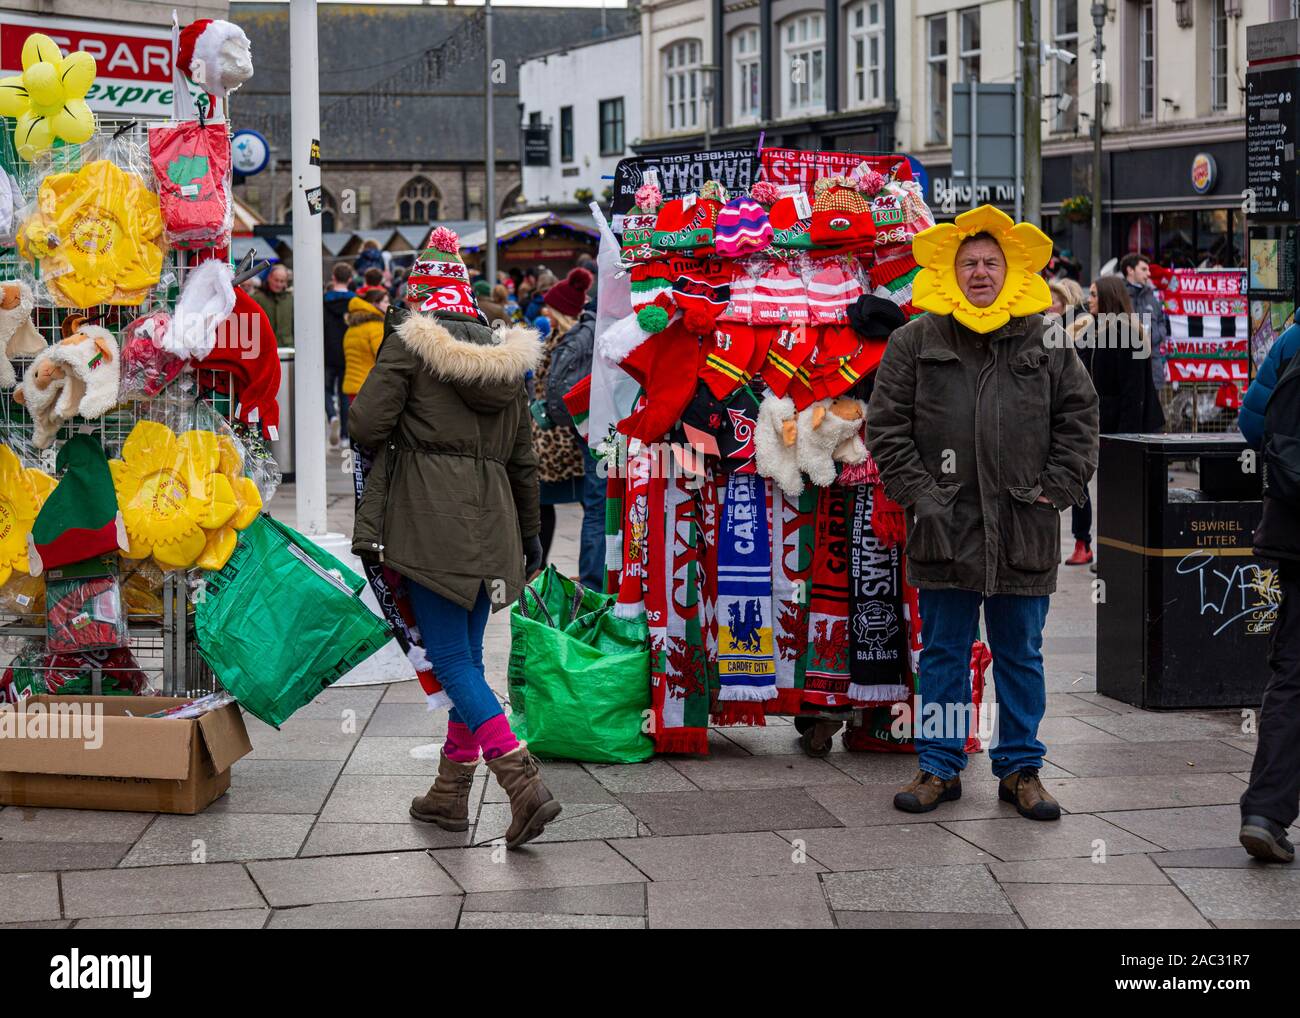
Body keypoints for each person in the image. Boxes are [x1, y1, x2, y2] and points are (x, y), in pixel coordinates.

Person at [867, 214, 1098, 821]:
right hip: (942, 527)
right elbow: (886, 428)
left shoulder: (1046, 339)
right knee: (944, 650)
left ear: (1011, 270)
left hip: (1025, 525)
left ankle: (1021, 769)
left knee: (1021, 651)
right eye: (968, 263)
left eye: (990, 263)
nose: (979, 273)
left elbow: (1080, 419)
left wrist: (1055, 490)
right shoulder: (915, 341)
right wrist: (921, 495)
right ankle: (939, 766)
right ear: (950, 270)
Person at [350, 226, 558, 849]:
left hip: (427, 522)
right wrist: (529, 539)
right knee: (465, 657)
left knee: (452, 662)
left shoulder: (411, 346)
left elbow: (365, 423)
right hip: (493, 525)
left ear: (420, 301)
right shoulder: (507, 361)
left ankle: (522, 783)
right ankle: (448, 793)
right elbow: (525, 462)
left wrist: (394, 353)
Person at [1237, 322, 1300, 863]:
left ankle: (1266, 812)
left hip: (1294, 530)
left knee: (1294, 676)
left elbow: (1253, 424)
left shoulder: (1293, 338)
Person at [543, 293, 605, 589]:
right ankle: (599, 579)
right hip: (610, 429)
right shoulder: (605, 330)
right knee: (603, 506)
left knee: (596, 505)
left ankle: (594, 579)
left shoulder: (579, 332)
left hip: (587, 428)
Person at [531, 267, 591, 567]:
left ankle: (586, 567)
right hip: (551, 435)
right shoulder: (554, 336)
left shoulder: (570, 342)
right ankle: (540, 568)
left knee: (581, 501)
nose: (545, 312)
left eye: (550, 307)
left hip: (561, 435)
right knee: (546, 504)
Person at [1119, 252, 1168, 392]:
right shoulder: (1119, 296)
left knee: (1154, 411)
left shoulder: (1152, 297)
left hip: (1153, 365)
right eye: (1144, 269)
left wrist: (1156, 336)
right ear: (1130, 270)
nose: (1148, 274)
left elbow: (1162, 322)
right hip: (1128, 365)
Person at [323, 262, 355, 449]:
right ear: (350, 279)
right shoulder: (354, 302)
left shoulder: (324, 300)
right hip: (347, 351)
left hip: (328, 350)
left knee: (325, 389)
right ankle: (344, 435)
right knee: (344, 394)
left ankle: (331, 414)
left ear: (333, 277)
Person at [342, 287, 388, 404]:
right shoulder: (376, 327)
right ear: (374, 304)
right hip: (370, 388)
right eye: (385, 302)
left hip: (352, 386)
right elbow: (383, 357)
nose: (389, 305)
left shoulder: (351, 328)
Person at [253, 264, 293, 347]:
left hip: (287, 348)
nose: (278, 284)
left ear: (286, 282)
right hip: (264, 347)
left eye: (282, 281)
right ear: (269, 278)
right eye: (276, 280)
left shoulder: (290, 300)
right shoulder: (257, 299)